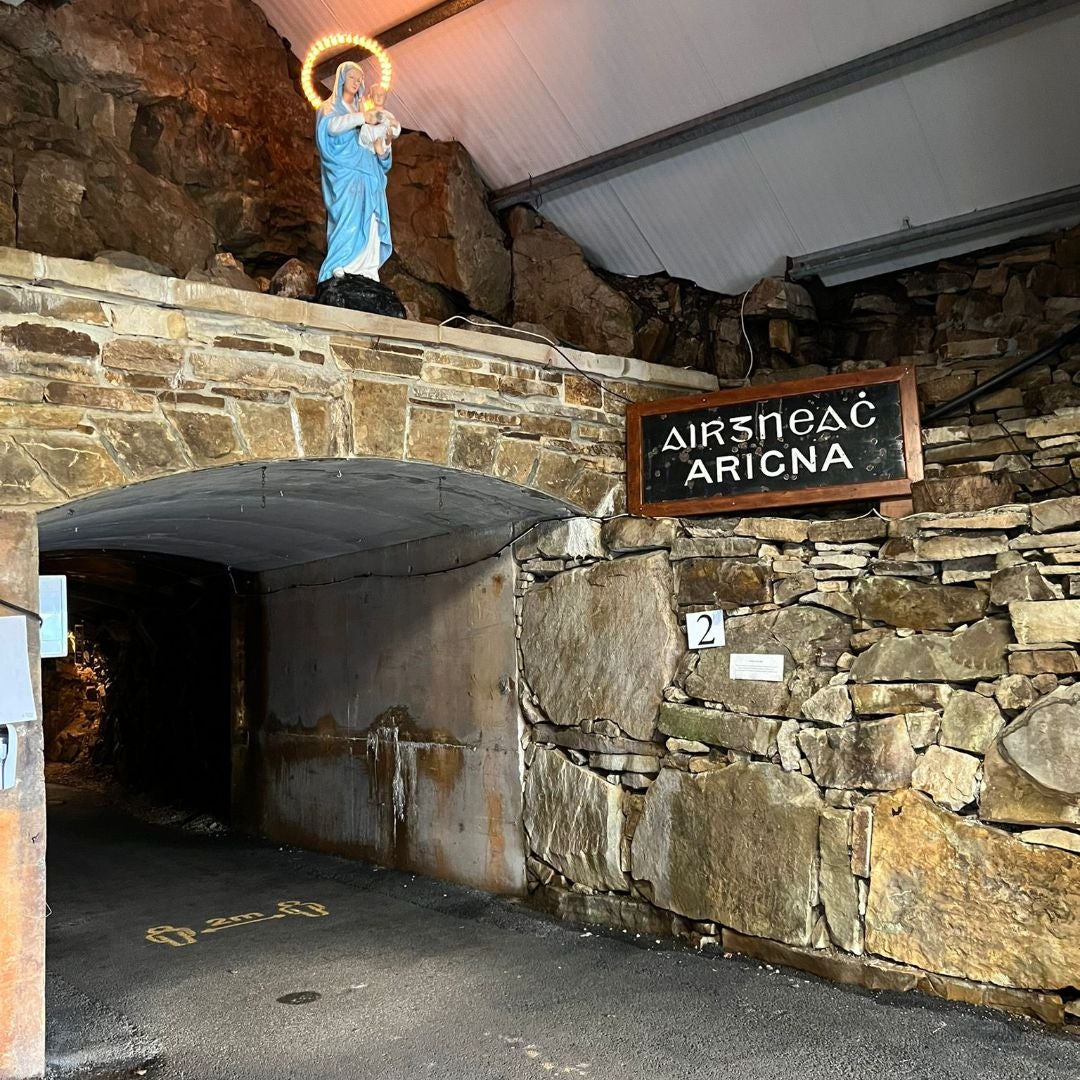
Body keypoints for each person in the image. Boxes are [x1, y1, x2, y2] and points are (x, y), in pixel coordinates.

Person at [315, 61, 393, 283]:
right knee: (348, 218)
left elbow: (382, 156)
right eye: (352, 78)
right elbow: (330, 128)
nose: (356, 82)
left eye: (359, 80)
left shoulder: (364, 110)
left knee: (371, 220)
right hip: (345, 174)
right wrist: (362, 119)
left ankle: (367, 269)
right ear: (341, 79)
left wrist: (385, 146)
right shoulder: (328, 108)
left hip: (369, 173)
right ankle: (340, 264)